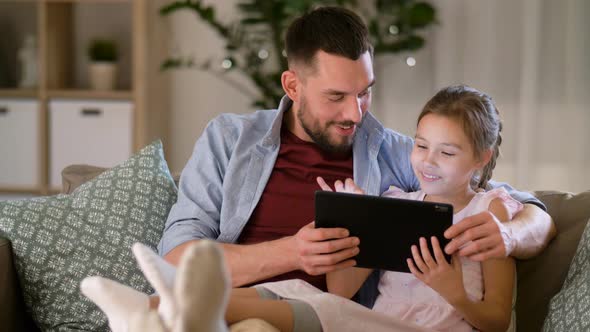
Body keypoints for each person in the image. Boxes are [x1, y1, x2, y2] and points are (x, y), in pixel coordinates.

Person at [157, 5, 554, 307]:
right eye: (336, 96)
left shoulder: (392, 153)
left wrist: (511, 234)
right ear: (293, 85)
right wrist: (293, 252)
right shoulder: (229, 138)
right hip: (224, 310)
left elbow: (522, 205)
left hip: (325, 319)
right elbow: (176, 260)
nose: (355, 113)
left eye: (364, 91)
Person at [80, 85, 522, 332]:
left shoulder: (490, 218)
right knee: (303, 292)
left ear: (481, 158)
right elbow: (341, 288)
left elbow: (498, 321)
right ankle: (159, 308)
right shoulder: (396, 202)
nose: (426, 161)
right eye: (421, 145)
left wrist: (451, 288)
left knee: (322, 309)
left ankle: (162, 307)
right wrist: (354, 221)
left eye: (446, 153)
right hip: (372, 325)